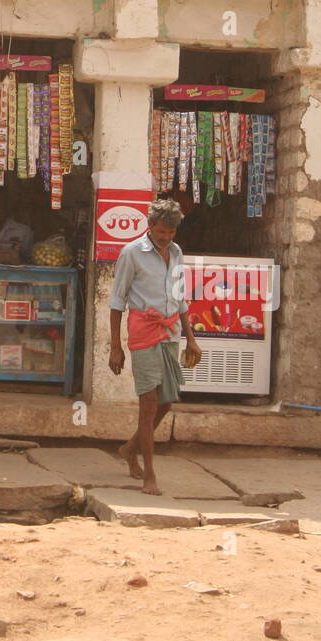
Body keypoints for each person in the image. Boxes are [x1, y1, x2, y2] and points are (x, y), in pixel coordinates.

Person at [109, 198, 202, 495]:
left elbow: (180, 298)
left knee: (167, 401)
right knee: (148, 406)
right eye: (162, 232)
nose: (166, 238)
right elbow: (116, 301)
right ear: (149, 227)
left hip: (171, 332)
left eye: (171, 233)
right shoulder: (131, 253)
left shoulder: (176, 253)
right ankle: (149, 473)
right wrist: (115, 346)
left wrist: (190, 337)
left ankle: (130, 448)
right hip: (142, 332)